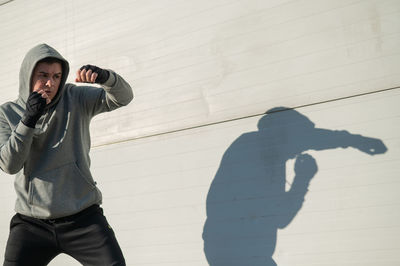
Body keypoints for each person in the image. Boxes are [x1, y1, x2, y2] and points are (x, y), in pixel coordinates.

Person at [0, 43, 133, 266]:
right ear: (28, 75)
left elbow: (123, 97)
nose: (50, 83)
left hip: (83, 218)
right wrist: (28, 120)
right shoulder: (6, 113)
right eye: (43, 75)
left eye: (56, 76)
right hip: (31, 223)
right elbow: (9, 164)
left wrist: (106, 78)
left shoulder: (75, 97)